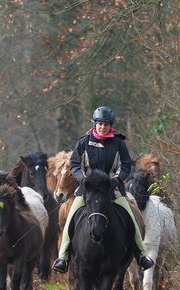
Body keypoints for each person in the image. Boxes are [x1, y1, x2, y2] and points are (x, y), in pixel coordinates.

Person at [52, 106, 154, 273]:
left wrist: (117, 180)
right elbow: (75, 165)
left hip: (112, 190)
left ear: (110, 126)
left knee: (131, 218)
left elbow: (126, 165)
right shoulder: (83, 143)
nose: (103, 127)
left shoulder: (118, 144)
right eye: (100, 124)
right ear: (94, 123)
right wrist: (83, 180)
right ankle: (63, 257)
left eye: (107, 124)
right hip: (87, 191)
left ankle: (142, 255)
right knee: (70, 219)